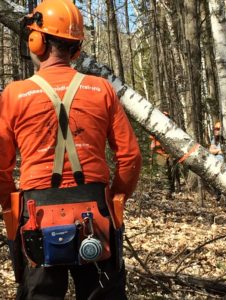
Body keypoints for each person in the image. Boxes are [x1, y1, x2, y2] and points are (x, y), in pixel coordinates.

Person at [0, 0, 142, 299]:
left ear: (36, 41)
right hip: (96, 212)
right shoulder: (102, 89)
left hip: (36, 214)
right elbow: (129, 157)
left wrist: (11, 206)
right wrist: (113, 200)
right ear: (76, 48)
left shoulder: (14, 94)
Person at [149, 112, 180, 197]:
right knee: (163, 172)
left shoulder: (173, 128)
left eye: (166, 117)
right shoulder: (155, 127)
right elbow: (153, 140)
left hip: (170, 153)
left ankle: (172, 190)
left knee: (172, 172)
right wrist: (152, 148)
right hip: (160, 153)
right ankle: (167, 191)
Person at [209, 121, 225, 202]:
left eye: (218, 129)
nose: (216, 130)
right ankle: (217, 194)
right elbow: (211, 150)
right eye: (215, 129)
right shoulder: (214, 139)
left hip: (223, 163)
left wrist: (218, 151)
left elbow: (225, 151)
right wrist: (219, 150)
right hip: (215, 162)